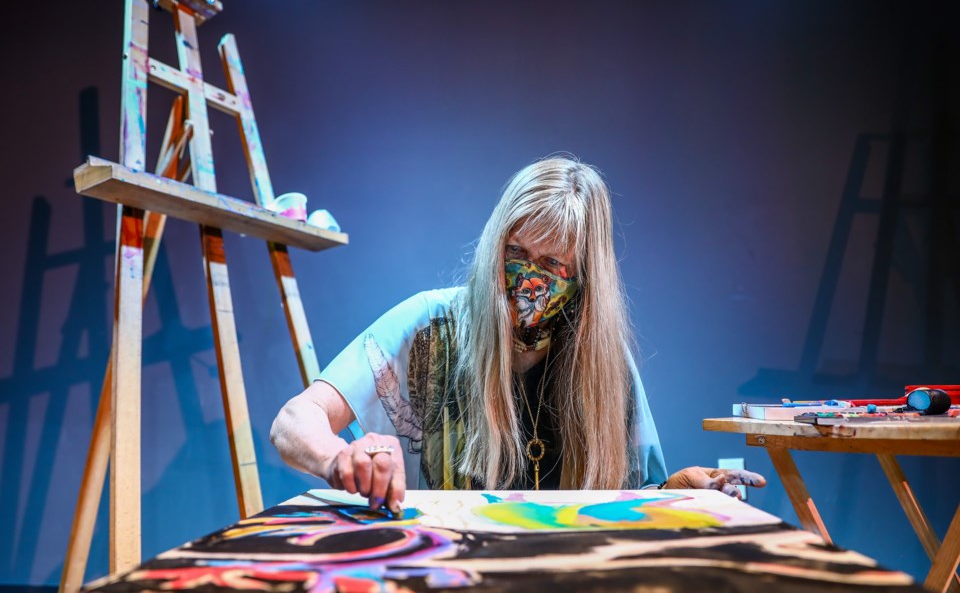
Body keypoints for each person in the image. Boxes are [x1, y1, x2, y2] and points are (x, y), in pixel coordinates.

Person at [271, 155, 765, 515]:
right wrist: (341, 459)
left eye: (552, 263)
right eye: (515, 251)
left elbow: (634, 500)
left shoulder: (604, 364)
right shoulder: (430, 325)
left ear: (585, 280)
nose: (527, 279)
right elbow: (294, 420)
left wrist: (679, 491)